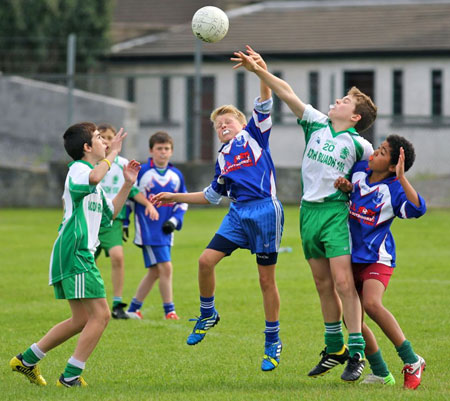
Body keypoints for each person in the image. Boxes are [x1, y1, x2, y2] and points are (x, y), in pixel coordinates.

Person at [232, 45, 376, 381]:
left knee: (343, 283)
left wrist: (351, 188)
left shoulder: (361, 147)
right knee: (322, 283)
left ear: (354, 117)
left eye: (344, 101)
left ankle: (357, 353)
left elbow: (369, 186)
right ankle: (334, 347)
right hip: (308, 212)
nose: (337, 101)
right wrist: (260, 72)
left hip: (335, 214)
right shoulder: (316, 123)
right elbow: (285, 91)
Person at [152, 50, 284, 372]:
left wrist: (260, 71)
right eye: (218, 125)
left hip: (265, 211)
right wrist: (174, 197)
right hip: (238, 213)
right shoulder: (223, 159)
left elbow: (265, 101)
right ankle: (208, 313)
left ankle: (272, 340)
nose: (223, 126)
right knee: (205, 261)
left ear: (242, 124)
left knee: (265, 280)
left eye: (228, 121)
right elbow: (212, 196)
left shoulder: (255, 136)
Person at [9, 122, 140, 387]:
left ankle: (26, 360)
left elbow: (110, 215)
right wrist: (113, 155)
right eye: (99, 139)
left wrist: (127, 184)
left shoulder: (94, 178)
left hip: (77, 252)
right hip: (75, 251)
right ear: (87, 147)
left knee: (81, 319)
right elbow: (93, 178)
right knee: (101, 315)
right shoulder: (80, 170)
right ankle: (70, 377)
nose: (106, 142)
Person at [334, 135, 426, 389]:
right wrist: (346, 187)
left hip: (377, 257)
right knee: (351, 318)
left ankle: (411, 360)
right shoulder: (359, 170)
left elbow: (418, 209)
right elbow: (354, 194)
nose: (375, 152)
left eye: (383, 152)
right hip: (350, 255)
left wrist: (402, 177)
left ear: (391, 165)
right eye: (379, 147)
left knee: (372, 304)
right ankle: (381, 373)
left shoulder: (395, 188)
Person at [95, 123, 156, 319]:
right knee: (85, 262)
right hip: (91, 219)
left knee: (118, 257)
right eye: (101, 136)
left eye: (109, 136)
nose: (106, 140)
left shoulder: (122, 163)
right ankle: (88, 302)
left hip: (113, 219)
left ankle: (117, 304)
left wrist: (148, 204)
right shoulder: (92, 164)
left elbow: (133, 189)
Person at [126, 131, 188, 320]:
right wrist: (124, 221)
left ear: (171, 151)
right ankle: (170, 311)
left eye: (166, 149)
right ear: (151, 151)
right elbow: (129, 195)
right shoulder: (143, 172)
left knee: (155, 271)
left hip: (166, 229)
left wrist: (174, 221)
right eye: (159, 149)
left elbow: (182, 202)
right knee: (166, 268)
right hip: (148, 229)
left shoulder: (176, 175)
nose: (163, 152)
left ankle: (133, 309)